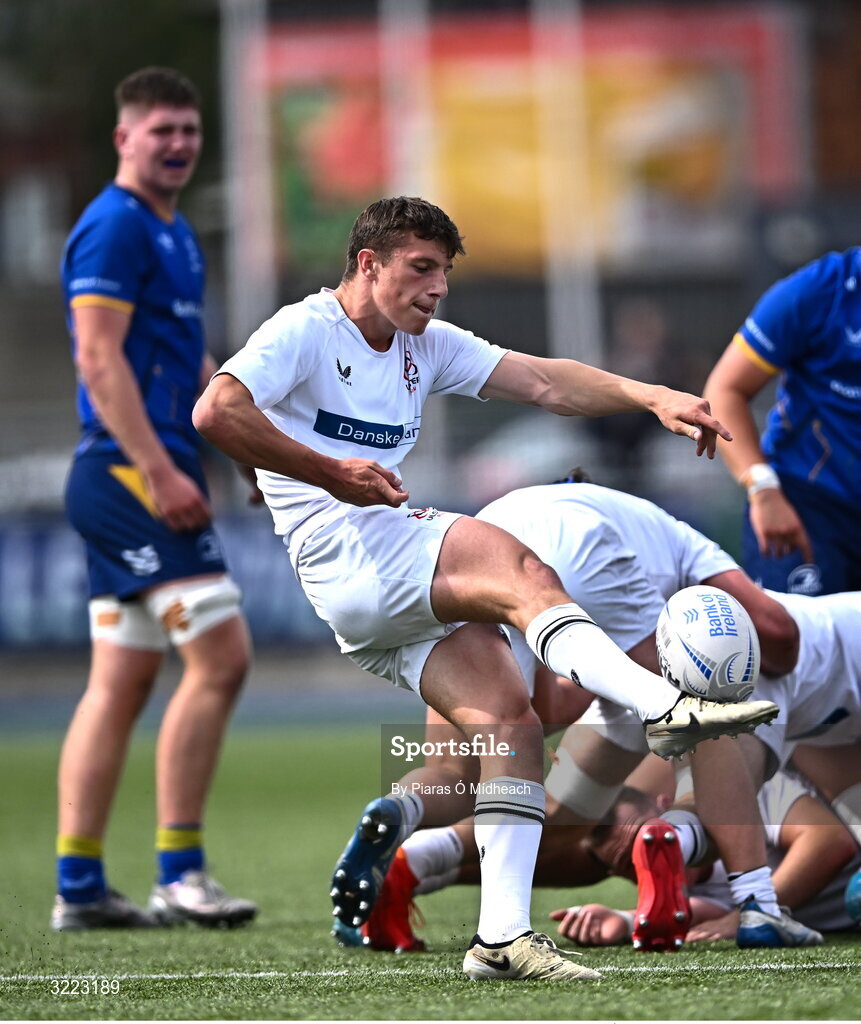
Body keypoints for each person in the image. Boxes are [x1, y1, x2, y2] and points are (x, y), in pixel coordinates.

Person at [193, 195, 777, 982]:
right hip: (356, 550)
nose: (436, 289)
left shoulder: (420, 344)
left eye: (444, 274)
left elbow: (543, 381)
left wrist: (652, 397)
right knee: (523, 573)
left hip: (361, 585)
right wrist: (331, 473)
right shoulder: (305, 330)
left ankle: (500, 937)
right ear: (368, 264)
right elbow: (216, 409)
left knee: (511, 722)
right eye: (420, 269)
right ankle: (661, 704)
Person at [341, 480, 814, 953]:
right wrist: (745, 674)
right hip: (573, 545)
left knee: (456, 770)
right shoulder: (676, 539)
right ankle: (758, 903)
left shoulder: (571, 512)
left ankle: (405, 833)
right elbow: (778, 633)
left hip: (475, 550)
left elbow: (546, 710)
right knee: (702, 711)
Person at [54, 67, 258, 931]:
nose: (177, 144)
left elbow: (194, 360)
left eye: (188, 129)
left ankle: (80, 887)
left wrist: (239, 444)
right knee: (222, 657)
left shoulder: (177, 232)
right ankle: (180, 872)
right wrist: (163, 470)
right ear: (123, 139)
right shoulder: (113, 227)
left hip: (144, 468)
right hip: (129, 473)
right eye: (160, 130)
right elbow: (98, 361)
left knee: (124, 680)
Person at [550, 768, 859, 947]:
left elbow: (829, 841)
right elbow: (695, 917)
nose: (651, 863)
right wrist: (624, 921)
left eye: (651, 841)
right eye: (631, 865)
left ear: (669, 806)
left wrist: (747, 914)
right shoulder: (693, 892)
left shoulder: (741, 793)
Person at [703, 249, 861, 597]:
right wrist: (763, 489)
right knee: (796, 645)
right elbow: (725, 390)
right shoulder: (816, 292)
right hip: (808, 506)